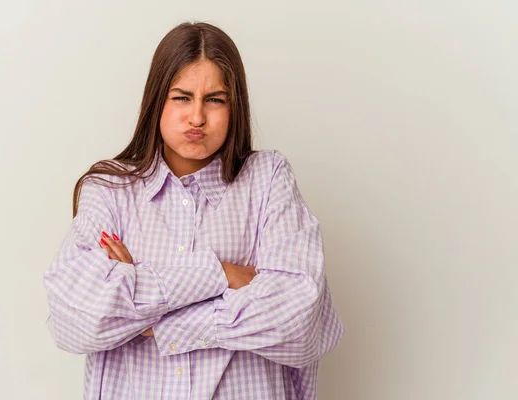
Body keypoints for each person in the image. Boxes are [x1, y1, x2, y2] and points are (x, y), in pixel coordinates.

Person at [43, 21, 344, 399]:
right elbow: (76, 322)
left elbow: (300, 321)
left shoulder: (268, 180)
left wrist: (154, 315)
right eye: (182, 97)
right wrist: (219, 275)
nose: (197, 117)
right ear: (157, 101)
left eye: (215, 99)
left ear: (235, 105)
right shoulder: (109, 189)